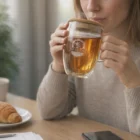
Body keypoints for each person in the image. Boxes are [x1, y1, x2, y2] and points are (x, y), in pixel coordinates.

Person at [37, 0, 140, 136]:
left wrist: (134, 82)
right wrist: (59, 66)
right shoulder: (83, 47)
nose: (91, 6)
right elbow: (49, 112)